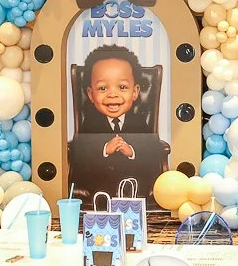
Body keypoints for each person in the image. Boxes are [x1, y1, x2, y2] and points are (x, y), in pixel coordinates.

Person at [67, 45, 169, 205]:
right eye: (102, 88)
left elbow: (151, 149)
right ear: (90, 94)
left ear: (135, 92)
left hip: (133, 180)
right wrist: (105, 149)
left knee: (138, 181)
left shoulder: (138, 121)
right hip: (99, 181)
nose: (112, 94)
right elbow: (81, 151)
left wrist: (131, 151)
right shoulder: (91, 123)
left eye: (122, 87)